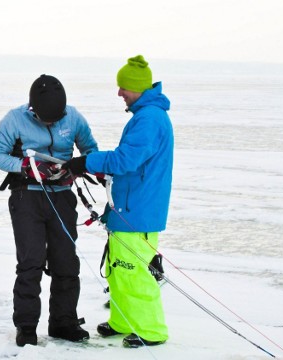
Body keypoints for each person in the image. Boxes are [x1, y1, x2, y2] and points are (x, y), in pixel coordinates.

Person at [63, 55, 173, 348]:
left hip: (138, 210)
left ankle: (152, 329)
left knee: (134, 272)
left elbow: (126, 159)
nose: (119, 93)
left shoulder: (149, 119)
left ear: (137, 88)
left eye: (124, 87)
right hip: (127, 207)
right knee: (118, 268)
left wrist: (85, 162)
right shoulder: (145, 115)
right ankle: (123, 320)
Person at [0, 74, 99, 346]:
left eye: (56, 119)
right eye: (46, 119)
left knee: (66, 262)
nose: (51, 123)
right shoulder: (14, 119)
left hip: (63, 197)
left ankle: (64, 323)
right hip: (27, 197)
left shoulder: (73, 118)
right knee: (31, 262)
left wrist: (77, 165)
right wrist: (25, 167)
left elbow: (91, 150)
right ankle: (26, 327)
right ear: (33, 109)